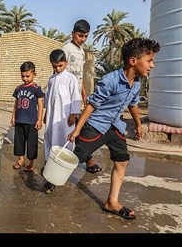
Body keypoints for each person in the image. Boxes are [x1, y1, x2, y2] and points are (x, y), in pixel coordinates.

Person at [67, 38, 160, 219]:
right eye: (149, 61)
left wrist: (139, 125)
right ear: (133, 61)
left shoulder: (137, 84)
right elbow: (91, 105)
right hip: (95, 125)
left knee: (122, 160)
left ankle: (112, 202)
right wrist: (78, 129)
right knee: (74, 157)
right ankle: (53, 178)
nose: (152, 65)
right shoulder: (110, 80)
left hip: (115, 126)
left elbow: (133, 105)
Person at [63, 19, 102, 173]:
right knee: (65, 127)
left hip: (77, 98)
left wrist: (84, 94)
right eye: (80, 35)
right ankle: (58, 160)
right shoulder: (66, 49)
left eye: (86, 36)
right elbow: (59, 72)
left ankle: (88, 160)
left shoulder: (81, 52)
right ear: (73, 33)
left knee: (81, 129)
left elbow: (80, 77)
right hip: (66, 97)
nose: (83, 39)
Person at [42, 49, 80, 193]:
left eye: (60, 66)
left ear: (66, 63)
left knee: (64, 143)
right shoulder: (51, 79)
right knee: (50, 141)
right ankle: (49, 171)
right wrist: (46, 113)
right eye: (55, 66)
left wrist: (73, 114)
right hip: (52, 117)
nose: (57, 69)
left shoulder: (71, 78)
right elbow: (48, 99)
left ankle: (62, 171)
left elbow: (75, 97)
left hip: (65, 119)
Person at [11, 61, 44, 171]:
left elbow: (40, 105)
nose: (25, 78)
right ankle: (21, 159)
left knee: (32, 143)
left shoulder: (36, 89)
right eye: (23, 76)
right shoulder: (18, 89)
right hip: (20, 120)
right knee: (19, 141)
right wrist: (13, 117)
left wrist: (39, 120)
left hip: (31, 121)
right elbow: (16, 104)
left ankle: (31, 162)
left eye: (27, 76)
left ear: (34, 74)